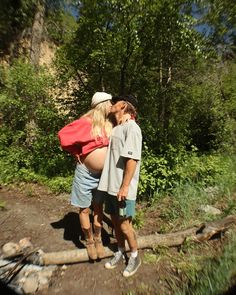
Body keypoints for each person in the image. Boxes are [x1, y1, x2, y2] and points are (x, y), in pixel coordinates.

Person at [58, 92, 113, 260]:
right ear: (103, 104)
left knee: (98, 207)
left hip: (103, 174)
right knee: (84, 208)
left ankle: (98, 239)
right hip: (86, 174)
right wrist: (76, 153)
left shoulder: (109, 124)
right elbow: (63, 136)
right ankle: (89, 240)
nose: (112, 105)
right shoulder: (85, 123)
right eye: (110, 103)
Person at [98, 94, 142, 277]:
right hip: (110, 187)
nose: (111, 105)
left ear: (123, 105)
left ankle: (135, 256)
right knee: (115, 223)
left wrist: (124, 187)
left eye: (114, 102)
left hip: (123, 189)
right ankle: (120, 251)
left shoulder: (132, 128)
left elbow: (132, 160)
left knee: (125, 226)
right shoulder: (117, 129)